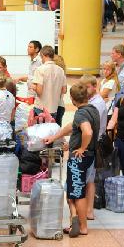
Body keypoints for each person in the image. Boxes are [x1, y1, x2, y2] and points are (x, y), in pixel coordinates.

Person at [44, 82, 98, 238]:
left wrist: (81, 148)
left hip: (79, 159)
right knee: (75, 191)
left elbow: (87, 131)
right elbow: (73, 126)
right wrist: (56, 137)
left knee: (77, 194)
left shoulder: (81, 113)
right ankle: (75, 220)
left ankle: (82, 227)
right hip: (90, 157)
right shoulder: (91, 109)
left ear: (73, 99)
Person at [29, 46, 67, 123]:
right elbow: (64, 90)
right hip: (54, 108)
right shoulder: (60, 70)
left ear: (43, 55)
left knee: (41, 132)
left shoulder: (40, 69)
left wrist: (34, 87)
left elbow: (39, 92)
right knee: (52, 132)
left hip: (41, 108)